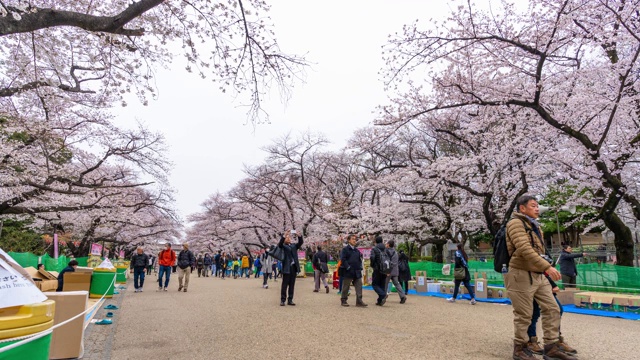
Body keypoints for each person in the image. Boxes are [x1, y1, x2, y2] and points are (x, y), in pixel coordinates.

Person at [505, 195, 576, 360]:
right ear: (522, 208)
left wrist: (546, 269)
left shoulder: (534, 225)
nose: (537, 208)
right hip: (520, 274)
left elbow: (540, 252)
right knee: (524, 314)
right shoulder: (515, 223)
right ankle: (520, 349)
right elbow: (524, 248)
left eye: (537, 205)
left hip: (538, 274)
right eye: (533, 205)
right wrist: (547, 267)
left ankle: (551, 346)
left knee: (553, 308)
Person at [527, 275, 577, 356]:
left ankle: (555, 340)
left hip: (542, 279)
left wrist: (552, 283)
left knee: (557, 310)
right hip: (528, 280)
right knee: (533, 313)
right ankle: (530, 340)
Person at [340, 234, 367, 307]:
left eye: (355, 239)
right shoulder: (345, 249)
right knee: (346, 286)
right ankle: (344, 299)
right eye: (352, 239)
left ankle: (359, 301)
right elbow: (343, 259)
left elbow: (359, 260)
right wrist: (347, 267)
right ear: (349, 240)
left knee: (359, 285)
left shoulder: (357, 250)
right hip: (348, 270)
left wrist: (360, 267)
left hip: (357, 270)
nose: (354, 240)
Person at [278, 229, 304, 306]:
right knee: (284, 284)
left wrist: (299, 236)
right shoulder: (283, 246)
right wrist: (284, 235)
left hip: (293, 267)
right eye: (287, 237)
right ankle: (283, 300)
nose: (288, 238)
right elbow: (279, 244)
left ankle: (290, 299)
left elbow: (300, 243)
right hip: (286, 267)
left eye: (289, 237)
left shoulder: (294, 246)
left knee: (292, 284)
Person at [369, 235, 389, 306]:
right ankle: (380, 301)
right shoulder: (386, 249)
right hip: (385, 269)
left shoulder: (375, 249)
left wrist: (372, 265)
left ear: (376, 241)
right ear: (382, 241)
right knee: (382, 285)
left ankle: (383, 295)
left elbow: (372, 258)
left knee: (375, 284)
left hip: (377, 269)